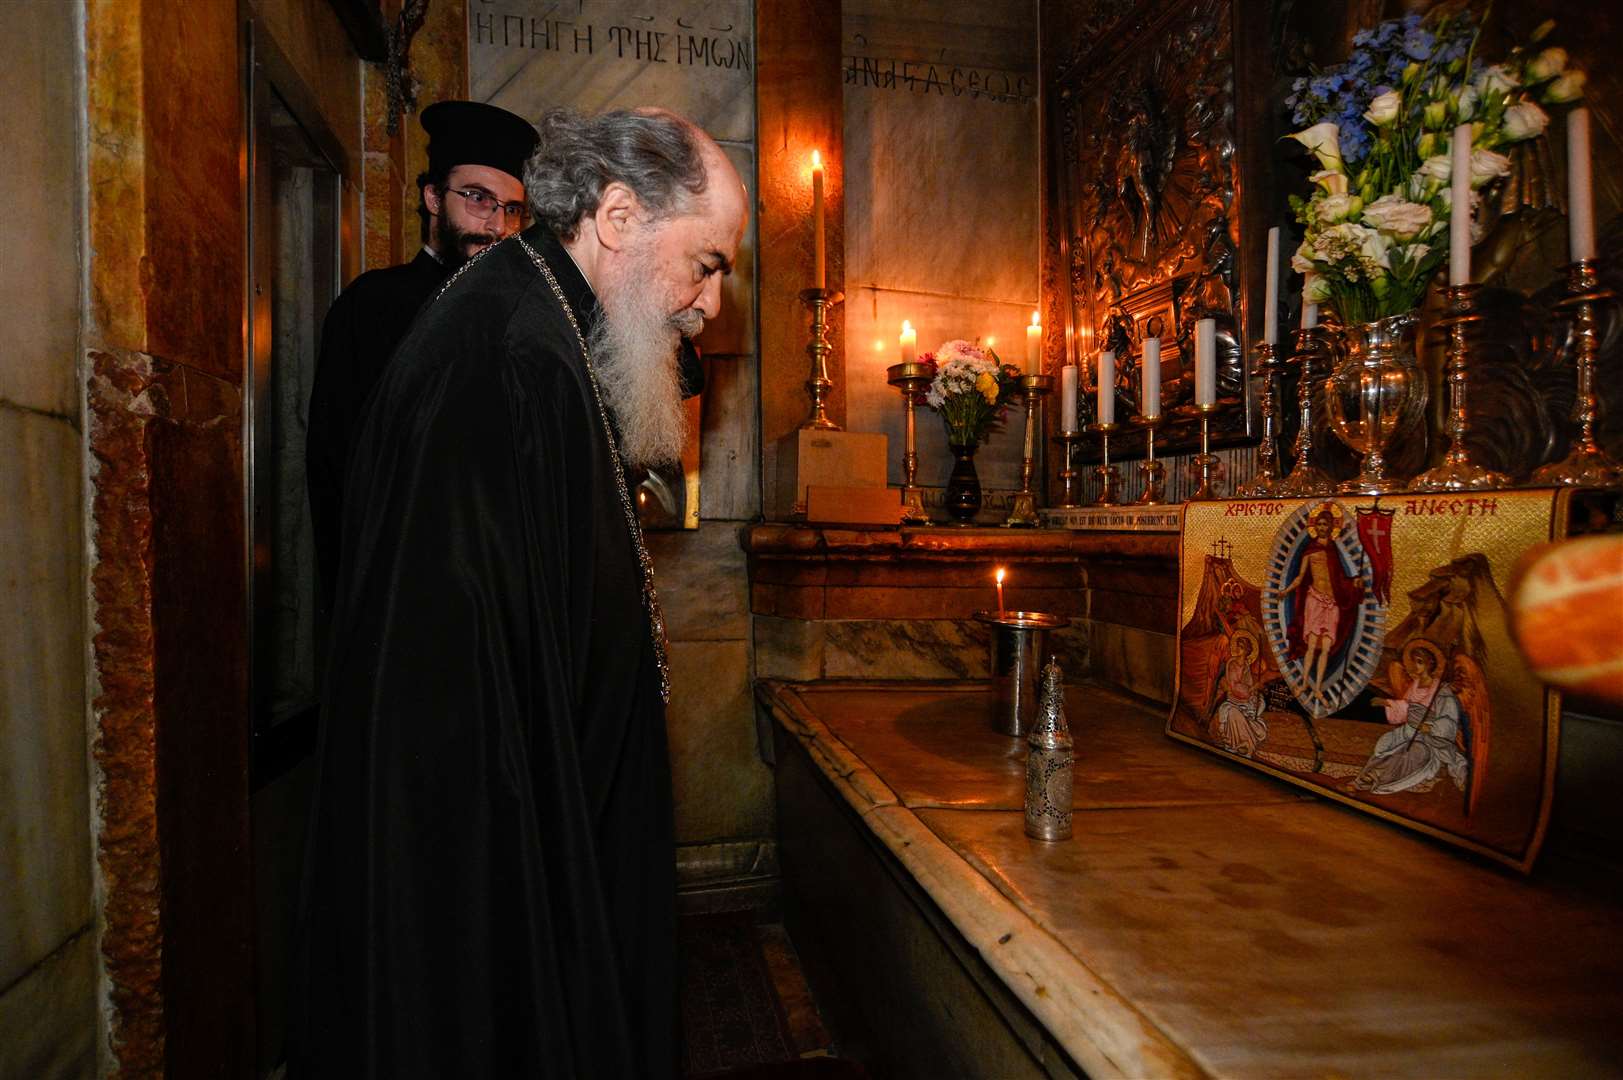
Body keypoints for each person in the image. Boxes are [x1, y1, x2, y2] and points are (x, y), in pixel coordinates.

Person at [288, 106, 748, 1079]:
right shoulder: (504, 358)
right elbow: (462, 724)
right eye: (708, 263)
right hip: (512, 890)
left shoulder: (554, 332)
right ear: (618, 217)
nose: (710, 305)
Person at [305, 100, 539, 599]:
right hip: (397, 585)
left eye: (512, 209)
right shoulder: (372, 306)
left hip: (498, 592)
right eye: (478, 198)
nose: (497, 226)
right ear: (434, 198)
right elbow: (334, 468)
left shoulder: (525, 318)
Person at [1352, 638, 1469, 797]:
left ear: (1429, 664)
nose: (1415, 666)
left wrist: (1431, 727)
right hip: (1408, 731)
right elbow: (1406, 707)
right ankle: (1366, 776)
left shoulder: (1442, 691)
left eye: (1419, 662)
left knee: (1413, 752)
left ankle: (1378, 776)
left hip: (1430, 739)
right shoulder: (1415, 685)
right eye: (1413, 662)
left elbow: (1449, 720)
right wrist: (1387, 703)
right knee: (1386, 744)